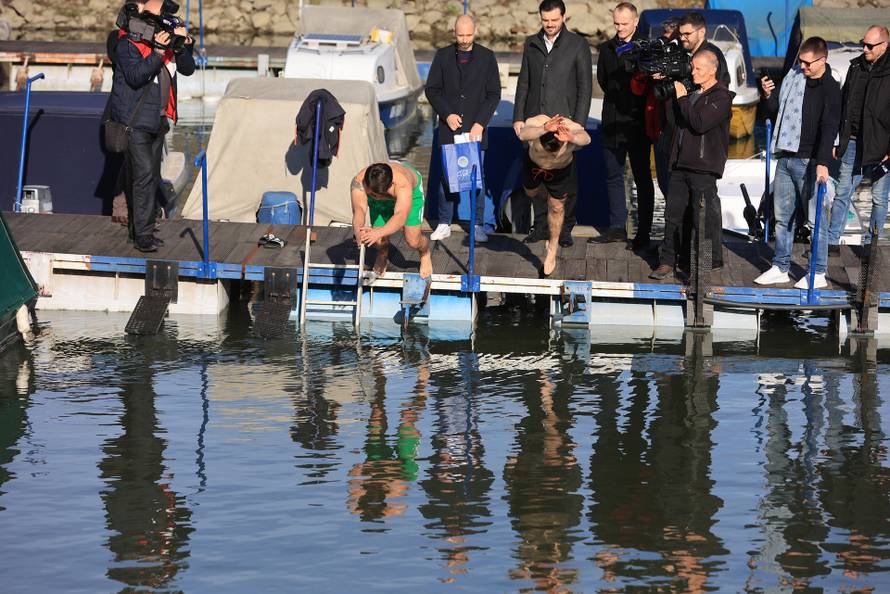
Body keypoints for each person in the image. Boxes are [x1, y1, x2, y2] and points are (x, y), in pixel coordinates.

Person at [753, 37, 841, 290]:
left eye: (807, 63)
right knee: (782, 217)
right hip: (785, 155)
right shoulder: (793, 78)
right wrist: (768, 95)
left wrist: (823, 163)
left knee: (816, 221)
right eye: (800, 61)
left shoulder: (830, 88)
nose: (802, 67)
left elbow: (829, 127)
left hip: (810, 161)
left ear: (822, 60)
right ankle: (780, 266)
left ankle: (819, 272)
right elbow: (773, 110)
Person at [109, 0, 194, 252]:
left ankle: (140, 229)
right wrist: (158, 52)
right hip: (134, 122)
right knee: (144, 175)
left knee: (150, 176)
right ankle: (142, 235)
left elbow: (188, 69)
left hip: (158, 119)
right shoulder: (127, 44)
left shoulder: (167, 43)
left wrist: (181, 45)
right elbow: (136, 77)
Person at [513, 0, 592, 247]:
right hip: (536, 121)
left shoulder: (578, 44)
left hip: (565, 121)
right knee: (536, 175)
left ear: (563, 18)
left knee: (566, 176)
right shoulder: (531, 43)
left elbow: (585, 88)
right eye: (545, 20)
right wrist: (518, 117)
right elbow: (524, 82)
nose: (549, 25)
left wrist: (578, 123)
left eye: (554, 20)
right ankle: (540, 226)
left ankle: (566, 228)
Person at [650, 50, 733, 280]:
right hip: (680, 164)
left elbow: (699, 123)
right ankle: (667, 261)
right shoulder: (693, 92)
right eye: (692, 67)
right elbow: (674, 120)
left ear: (712, 69)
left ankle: (703, 266)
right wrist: (669, 90)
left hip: (704, 167)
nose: (692, 72)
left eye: (698, 68)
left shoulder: (722, 97)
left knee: (702, 219)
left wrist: (682, 97)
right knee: (672, 215)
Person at [425, 14, 501, 243]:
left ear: (475, 32)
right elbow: (432, 89)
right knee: (447, 177)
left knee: (477, 178)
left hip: (475, 129)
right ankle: (444, 222)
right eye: (460, 35)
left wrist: (480, 123)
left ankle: (477, 224)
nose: (465, 40)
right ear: (454, 32)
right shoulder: (442, 56)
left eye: (468, 35)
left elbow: (493, 94)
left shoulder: (487, 57)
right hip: (450, 128)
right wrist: (446, 114)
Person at [593, 2, 655, 250]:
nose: (619, 28)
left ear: (635, 22)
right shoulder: (607, 48)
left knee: (642, 177)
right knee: (612, 175)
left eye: (624, 24)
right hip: (612, 121)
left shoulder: (647, 47)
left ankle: (644, 232)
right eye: (616, 24)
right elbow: (603, 80)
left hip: (638, 122)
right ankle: (617, 227)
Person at [826, 25, 890, 249]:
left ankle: (870, 247)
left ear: (884, 45)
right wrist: (838, 140)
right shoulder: (855, 67)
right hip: (852, 140)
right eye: (863, 43)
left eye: (870, 46)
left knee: (879, 198)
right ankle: (832, 242)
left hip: (880, 145)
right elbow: (844, 105)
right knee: (842, 192)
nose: (864, 49)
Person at [519, 114, 591, 276]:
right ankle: (543, 192)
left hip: (560, 171)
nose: (550, 154)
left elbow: (587, 138)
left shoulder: (568, 126)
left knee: (557, 206)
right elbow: (522, 134)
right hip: (534, 166)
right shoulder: (537, 122)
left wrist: (572, 137)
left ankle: (552, 248)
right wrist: (543, 129)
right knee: (531, 192)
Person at [351, 162, 432, 278]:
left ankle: (425, 253)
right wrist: (358, 231)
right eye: (372, 195)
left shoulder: (403, 184)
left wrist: (377, 232)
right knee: (377, 240)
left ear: (391, 185)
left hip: (410, 195)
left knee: (413, 241)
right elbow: (359, 210)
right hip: (382, 190)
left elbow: (400, 217)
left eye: (379, 195)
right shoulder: (358, 182)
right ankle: (383, 253)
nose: (377, 198)